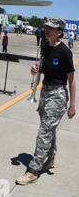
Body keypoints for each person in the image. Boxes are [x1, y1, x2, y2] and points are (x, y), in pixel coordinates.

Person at [16, 19, 76, 185]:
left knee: (44, 131)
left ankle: (33, 170)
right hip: (45, 92)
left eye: (51, 28)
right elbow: (43, 68)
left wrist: (72, 104)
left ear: (59, 32)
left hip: (57, 95)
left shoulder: (64, 52)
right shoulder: (45, 46)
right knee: (49, 129)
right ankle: (50, 159)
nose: (47, 30)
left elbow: (71, 80)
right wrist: (35, 69)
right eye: (46, 28)